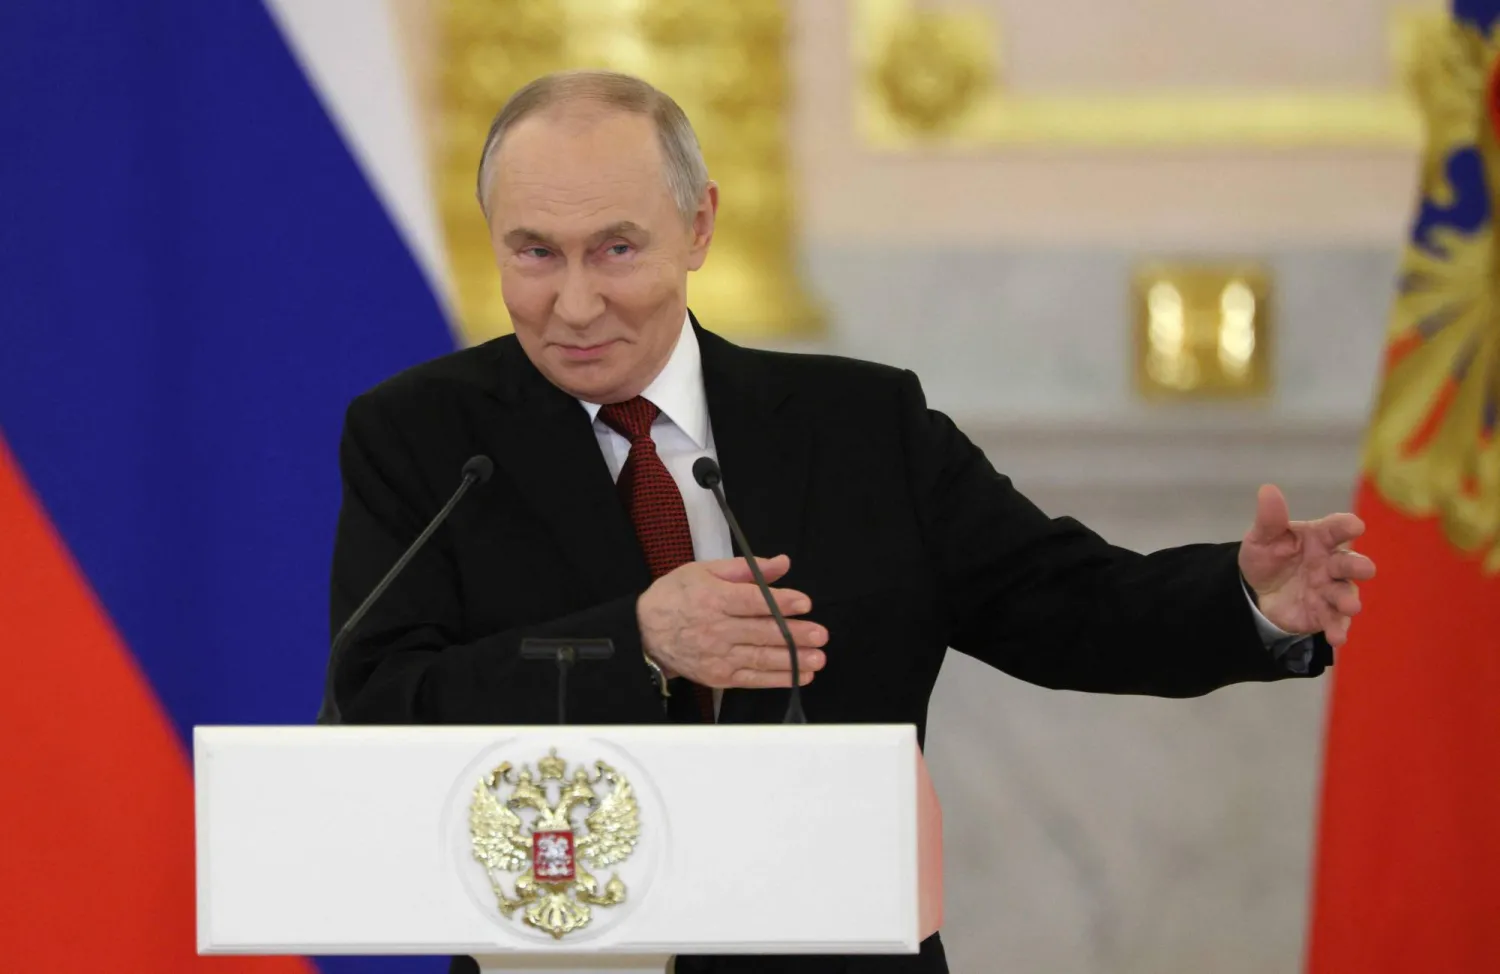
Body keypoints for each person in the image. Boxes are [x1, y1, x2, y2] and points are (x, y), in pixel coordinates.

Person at [322, 70, 1375, 974]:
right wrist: (634, 641)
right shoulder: (421, 437)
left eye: (616, 248)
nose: (576, 302)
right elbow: (376, 708)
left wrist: (1249, 603)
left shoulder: (861, 425)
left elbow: (1068, 603)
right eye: (535, 253)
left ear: (698, 227)